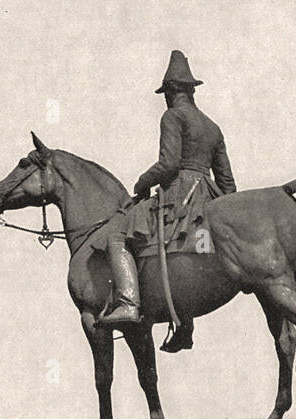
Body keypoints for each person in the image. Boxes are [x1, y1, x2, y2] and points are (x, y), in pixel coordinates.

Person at [97, 49, 236, 353]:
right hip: (207, 199)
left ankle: (129, 303)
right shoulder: (213, 127)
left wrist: (141, 182)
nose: (164, 98)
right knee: (191, 255)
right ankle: (185, 326)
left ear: (173, 92)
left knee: (119, 234)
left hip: (179, 193)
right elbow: (228, 184)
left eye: (166, 93)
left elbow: (169, 164)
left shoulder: (173, 116)